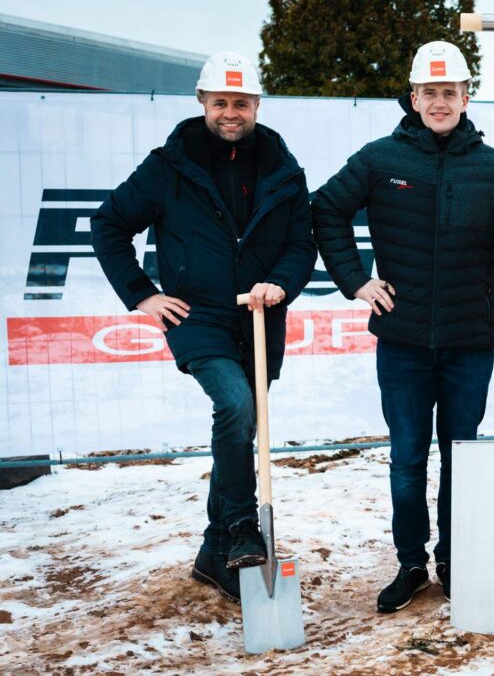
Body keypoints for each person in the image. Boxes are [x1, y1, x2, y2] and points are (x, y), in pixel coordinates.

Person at [311, 40, 494, 613]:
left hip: (469, 341)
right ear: (413, 97)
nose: (440, 102)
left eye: (451, 92)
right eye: (430, 92)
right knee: (408, 455)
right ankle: (412, 564)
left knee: (460, 456)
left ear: (466, 98)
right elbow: (325, 210)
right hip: (403, 342)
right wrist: (357, 281)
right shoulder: (380, 160)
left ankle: (457, 561)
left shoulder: (492, 165)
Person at [90, 51, 316, 605]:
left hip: (261, 316)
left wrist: (280, 284)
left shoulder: (283, 168)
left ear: (257, 105)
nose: (231, 113)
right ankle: (243, 527)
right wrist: (142, 293)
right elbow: (109, 224)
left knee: (244, 429)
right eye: (221, 102)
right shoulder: (170, 166)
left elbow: (300, 244)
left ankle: (215, 555)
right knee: (236, 406)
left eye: (241, 103)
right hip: (199, 316)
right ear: (202, 103)